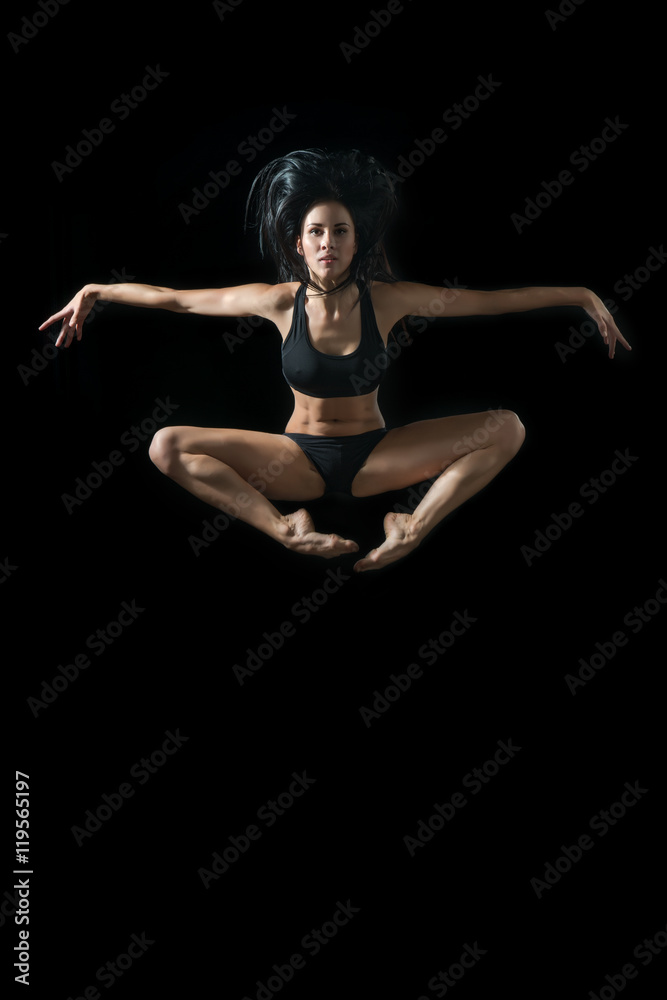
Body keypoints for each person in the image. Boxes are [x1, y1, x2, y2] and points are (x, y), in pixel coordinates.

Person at [39, 148, 631, 572]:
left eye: (340, 232)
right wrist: (96, 291)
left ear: (356, 241)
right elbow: (178, 301)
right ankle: (286, 529)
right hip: (297, 460)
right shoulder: (277, 301)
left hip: (375, 457)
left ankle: (411, 526)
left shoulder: (389, 298)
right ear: (299, 243)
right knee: (165, 444)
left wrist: (580, 295)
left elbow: (490, 303)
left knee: (508, 427)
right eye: (317, 233)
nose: (328, 243)